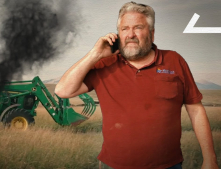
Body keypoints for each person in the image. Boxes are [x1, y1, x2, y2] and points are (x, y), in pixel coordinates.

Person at [55, 2, 219, 169]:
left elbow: (195, 109)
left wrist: (210, 158)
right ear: (118, 34)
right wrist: (95, 54)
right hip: (113, 165)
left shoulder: (174, 60)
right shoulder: (104, 64)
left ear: (152, 33)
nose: (130, 34)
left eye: (138, 27)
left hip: (168, 165)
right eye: (125, 28)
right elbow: (62, 90)